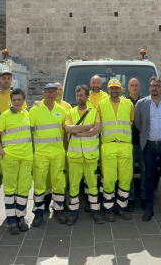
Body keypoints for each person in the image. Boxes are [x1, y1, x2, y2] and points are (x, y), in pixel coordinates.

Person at [135, 77, 161, 222]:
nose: (155, 88)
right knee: (148, 176)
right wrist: (148, 138)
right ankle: (149, 208)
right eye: (152, 85)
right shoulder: (141, 104)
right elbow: (139, 124)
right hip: (149, 145)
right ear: (149, 88)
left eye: (158, 86)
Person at [0, 88, 33, 235]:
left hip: (26, 157)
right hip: (10, 157)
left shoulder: (27, 114)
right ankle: (11, 220)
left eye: (19, 99)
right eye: (14, 100)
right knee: (10, 189)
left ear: (23, 100)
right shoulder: (4, 116)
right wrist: (2, 152)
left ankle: (20, 217)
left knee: (24, 188)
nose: (17, 102)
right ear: (11, 101)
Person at [29, 83, 69, 226]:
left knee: (59, 183)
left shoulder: (62, 110)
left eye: (54, 91)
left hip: (58, 153)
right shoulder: (35, 110)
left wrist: (64, 149)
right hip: (40, 153)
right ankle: (38, 214)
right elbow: (30, 131)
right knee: (39, 184)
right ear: (43, 93)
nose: (51, 94)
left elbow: (65, 133)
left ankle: (58, 211)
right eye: (48, 91)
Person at [65, 85, 104, 224]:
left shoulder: (94, 112)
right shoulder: (70, 112)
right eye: (77, 95)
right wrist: (85, 127)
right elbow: (68, 128)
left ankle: (95, 211)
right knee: (74, 185)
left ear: (87, 97)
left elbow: (97, 129)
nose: (79, 98)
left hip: (91, 156)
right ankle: (74, 213)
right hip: (75, 157)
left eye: (82, 95)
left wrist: (80, 134)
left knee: (93, 185)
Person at [0, 71, 27, 207]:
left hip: (13, 146)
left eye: (8, 78)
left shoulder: (17, 97)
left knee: (13, 178)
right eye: (3, 79)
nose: (6, 81)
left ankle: (14, 204)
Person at [97, 78, 134, 221]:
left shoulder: (128, 104)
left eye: (116, 88)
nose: (114, 90)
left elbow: (132, 121)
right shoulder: (101, 104)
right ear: (108, 89)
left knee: (125, 178)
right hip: (108, 145)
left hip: (125, 145)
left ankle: (121, 208)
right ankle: (108, 209)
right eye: (111, 88)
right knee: (109, 179)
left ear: (121, 89)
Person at [126, 77, 145, 212]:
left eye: (136, 85)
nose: (134, 87)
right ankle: (130, 198)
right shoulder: (123, 102)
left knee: (145, 171)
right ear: (128, 87)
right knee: (129, 172)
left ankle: (144, 197)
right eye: (132, 85)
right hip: (127, 142)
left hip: (143, 142)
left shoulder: (145, 102)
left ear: (139, 86)